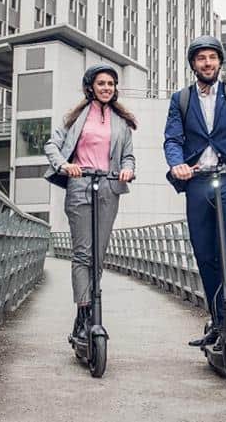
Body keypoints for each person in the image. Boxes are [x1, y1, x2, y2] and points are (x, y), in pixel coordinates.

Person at [163, 36, 226, 349]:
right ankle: (216, 320)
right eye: (200, 58)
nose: (207, 63)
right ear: (193, 64)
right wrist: (177, 164)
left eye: (212, 57)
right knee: (204, 253)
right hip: (196, 180)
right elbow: (172, 140)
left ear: (220, 62)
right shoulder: (181, 99)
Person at [44, 64, 136, 341]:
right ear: (90, 87)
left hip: (109, 187)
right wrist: (64, 166)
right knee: (83, 254)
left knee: (98, 256)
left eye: (111, 83)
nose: (107, 87)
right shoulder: (74, 118)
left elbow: (128, 156)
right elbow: (51, 145)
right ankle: (86, 314)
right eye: (101, 83)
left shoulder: (122, 122)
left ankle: (84, 313)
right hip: (80, 186)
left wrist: (128, 169)